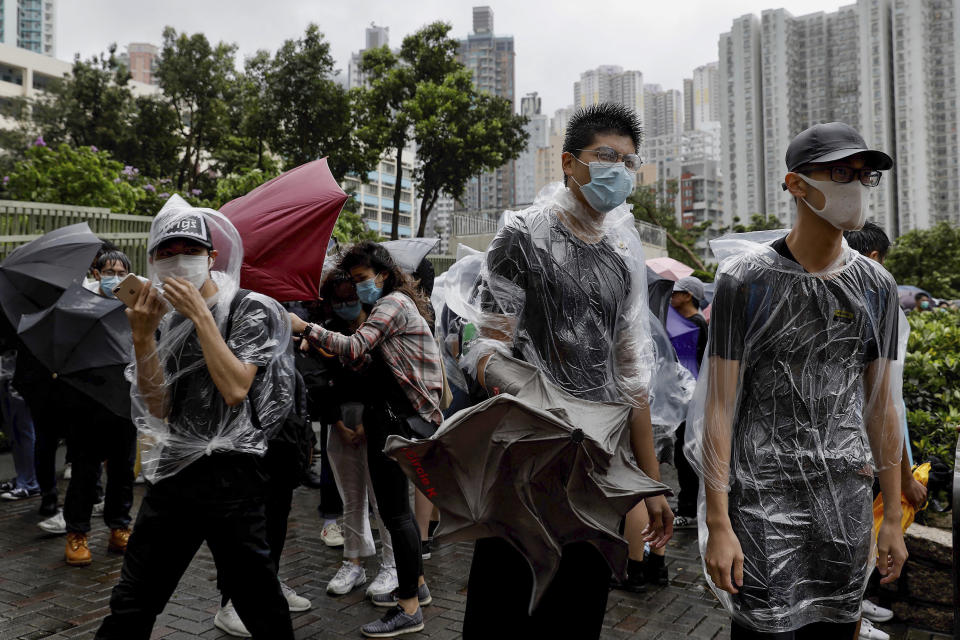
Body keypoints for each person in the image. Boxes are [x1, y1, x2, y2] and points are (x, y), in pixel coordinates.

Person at [461, 103, 673, 639]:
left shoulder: (625, 256)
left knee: (577, 612)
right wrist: (550, 405)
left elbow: (633, 380)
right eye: (606, 156)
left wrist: (650, 484)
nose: (619, 171)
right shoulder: (523, 236)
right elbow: (484, 351)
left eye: (629, 162)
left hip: (596, 472)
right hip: (525, 464)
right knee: (504, 609)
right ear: (568, 163)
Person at [691, 122, 906, 639]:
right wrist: (718, 524)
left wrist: (893, 518)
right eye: (839, 173)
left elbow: (881, 406)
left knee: (837, 629)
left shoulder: (877, 287)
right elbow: (719, 408)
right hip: (763, 502)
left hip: (846, 505)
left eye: (863, 175)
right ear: (796, 184)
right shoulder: (745, 281)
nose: (854, 186)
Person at [95, 196, 296, 640]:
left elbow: (236, 388)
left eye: (188, 251)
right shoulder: (159, 319)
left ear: (210, 256)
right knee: (132, 600)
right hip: (174, 472)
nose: (177, 261)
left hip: (233, 478)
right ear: (152, 261)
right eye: (165, 254)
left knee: (258, 601)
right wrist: (143, 336)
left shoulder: (249, 308)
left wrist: (202, 316)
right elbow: (158, 407)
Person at [290, 241, 442, 638]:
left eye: (362, 280)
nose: (358, 289)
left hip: (396, 418)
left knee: (395, 514)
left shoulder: (391, 304)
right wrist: (323, 345)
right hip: (393, 415)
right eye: (354, 281)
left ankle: (407, 607)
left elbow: (357, 346)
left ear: (384, 275)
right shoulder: (389, 306)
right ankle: (419, 588)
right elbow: (363, 358)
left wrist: (307, 327)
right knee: (398, 511)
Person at [845, 221, 926, 640]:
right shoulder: (875, 307)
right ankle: (852, 621)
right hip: (863, 455)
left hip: (853, 451)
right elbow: (886, 406)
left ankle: (854, 610)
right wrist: (906, 478)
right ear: (875, 259)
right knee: (859, 539)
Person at [315, 270, 398, 600]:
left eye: (351, 297)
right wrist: (338, 423)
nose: (346, 304)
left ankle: (391, 565)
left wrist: (367, 422)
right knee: (351, 497)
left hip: (376, 420)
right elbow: (321, 383)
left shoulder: (379, 327)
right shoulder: (328, 333)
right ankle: (354, 562)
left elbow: (388, 378)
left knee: (384, 499)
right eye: (339, 300)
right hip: (340, 422)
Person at [60, 248, 138, 566]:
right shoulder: (81, 306)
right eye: (109, 273)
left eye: (122, 274)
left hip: (124, 402)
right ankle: (76, 533)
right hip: (87, 403)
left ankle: (119, 527)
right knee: (84, 471)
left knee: (122, 470)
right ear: (96, 275)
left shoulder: (137, 306)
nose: (115, 279)